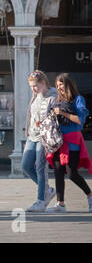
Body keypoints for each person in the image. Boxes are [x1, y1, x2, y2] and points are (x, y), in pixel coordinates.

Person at [46, 73, 92, 213]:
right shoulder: (57, 101)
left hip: (72, 141)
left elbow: (80, 120)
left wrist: (63, 113)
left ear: (69, 85)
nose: (59, 88)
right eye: (57, 85)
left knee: (72, 173)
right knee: (58, 171)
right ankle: (60, 203)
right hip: (58, 141)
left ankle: (90, 195)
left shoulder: (78, 99)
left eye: (62, 84)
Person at [22, 70, 57, 212]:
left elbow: (55, 117)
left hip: (44, 136)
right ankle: (47, 190)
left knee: (40, 168)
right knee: (25, 165)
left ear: (43, 83)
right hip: (32, 136)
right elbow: (31, 115)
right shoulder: (34, 96)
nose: (33, 89)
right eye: (31, 86)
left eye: (35, 86)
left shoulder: (53, 97)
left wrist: (44, 122)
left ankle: (40, 201)